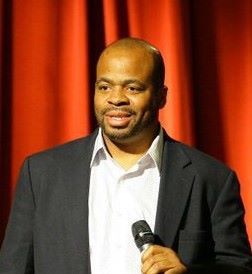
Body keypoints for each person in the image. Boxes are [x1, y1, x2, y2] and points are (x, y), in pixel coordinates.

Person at [0, 37, 251, 274]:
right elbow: (14, 267)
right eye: (105, 87)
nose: (116, 99)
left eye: (132, 88)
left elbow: (238, 267)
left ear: (161, 97)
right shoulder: (42, 173)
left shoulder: (213, 179)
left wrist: (188, 272)